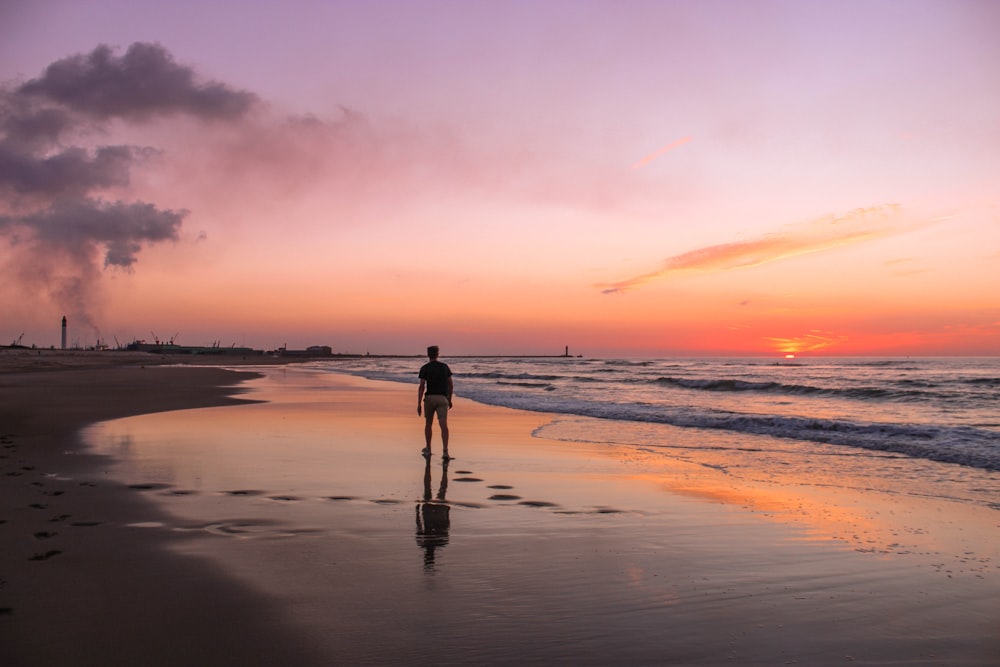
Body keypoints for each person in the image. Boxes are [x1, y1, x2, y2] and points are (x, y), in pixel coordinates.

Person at [417, 345, 453, 459]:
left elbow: (422, 387)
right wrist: (449, 399)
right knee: (444, 425)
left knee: (428, 423)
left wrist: (418, 404)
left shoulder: (425, 368)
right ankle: (445, 451)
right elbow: (450, 385)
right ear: (438, 354)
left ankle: (428, 448)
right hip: (442, 398)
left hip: (430, 398)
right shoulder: (444, 367)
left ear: (428, 354)